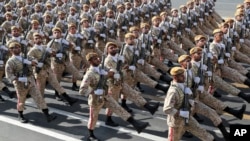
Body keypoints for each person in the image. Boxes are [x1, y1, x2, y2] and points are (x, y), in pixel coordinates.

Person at [79, 52, 149, 141]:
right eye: (95, 59)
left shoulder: (102, 68)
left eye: (98, 58)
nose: (98, 59)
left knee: (118, 108)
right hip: (95, 99)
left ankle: (136, 124)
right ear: (90, 61)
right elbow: (82, 90)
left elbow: (112, 70)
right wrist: (94, 92)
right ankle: (91, 135)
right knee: (93, 118)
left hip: (106, 95)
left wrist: (111, 72)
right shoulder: (89, 74)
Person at [5, 42, 56, 123]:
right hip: (20, 84)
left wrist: (30, 62)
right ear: (11, 50)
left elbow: (35, 61)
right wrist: (19, 79)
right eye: (14, 48)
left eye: (18, 47)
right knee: (21, 101)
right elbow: (9, 76)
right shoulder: (10, 61)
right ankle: (20, 115)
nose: (16, 49)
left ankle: (47, 115)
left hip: (30, 80)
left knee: (39, 97)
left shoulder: (25, 57)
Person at [163, 67, 214, 141]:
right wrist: (180, 113)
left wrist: (191, 97)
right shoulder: (173, 91)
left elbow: (188, 98)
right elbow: (167, 109)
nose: (184, 77)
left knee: (204, 134)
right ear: (175, 77)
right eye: (181, 76)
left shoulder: (183, 85)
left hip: (188, 118)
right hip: (176, 123)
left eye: (183, 75)